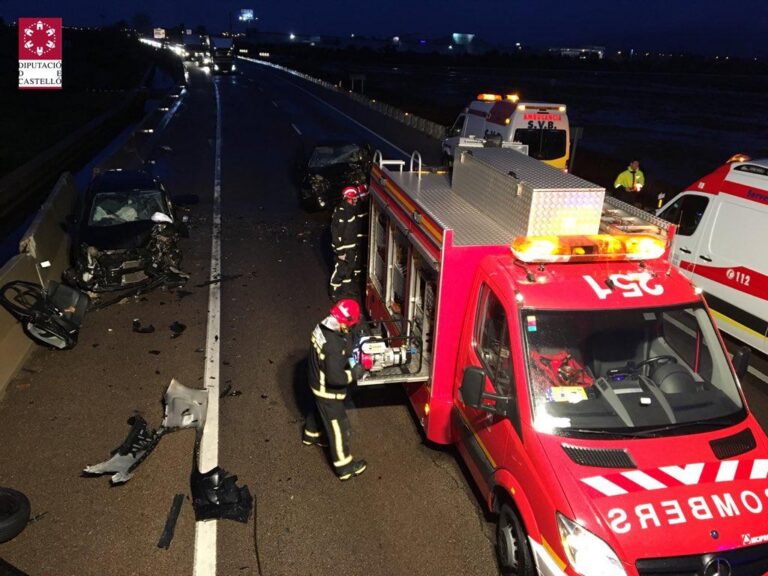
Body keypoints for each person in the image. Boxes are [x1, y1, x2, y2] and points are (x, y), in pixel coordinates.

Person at [303, 299, 368, 481]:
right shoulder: (333, 346)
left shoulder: (321, 327)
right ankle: (344, 466)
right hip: (327, 390)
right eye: (350, 324)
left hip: (315, 381)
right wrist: (354, 373)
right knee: (338, 427)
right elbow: (336, 378)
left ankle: (311, 434)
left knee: (318, 409)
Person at [329, 186, 367, 300]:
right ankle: (334, 291)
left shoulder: (351, 209)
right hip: (344, 248)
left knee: (350, 268)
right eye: (353, 198)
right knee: (341, 270)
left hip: (351, 246)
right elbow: (336, 232)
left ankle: (346, 290)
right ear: (348, 198)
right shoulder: (342, 211)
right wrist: (340, 250)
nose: (356, 200)